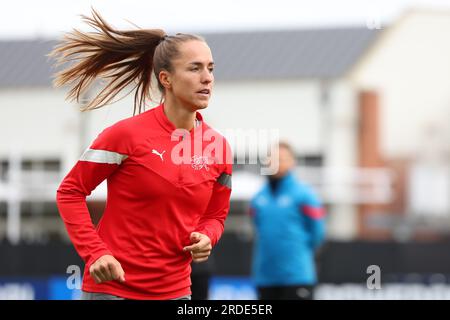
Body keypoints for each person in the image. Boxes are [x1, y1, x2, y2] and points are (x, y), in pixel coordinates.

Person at [51, 9, 232, 300]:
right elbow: (70, 191)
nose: (207, 78)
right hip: (112, 291)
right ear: (166, 79)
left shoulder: (219, 148)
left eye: (211, 68)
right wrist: (95, 253)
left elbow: (215, 215)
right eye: (195, 68)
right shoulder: (125, 135)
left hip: (176, 293)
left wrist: (207, 236)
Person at [249, 142, 325, 300]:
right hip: (265, 278)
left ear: (292, 162)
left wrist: (297, 253)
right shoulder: (258, 198)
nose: (276, 162)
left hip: (296, 277)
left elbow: (317, 233)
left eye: (282, 158)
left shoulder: (305, 195)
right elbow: (257, 227)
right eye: (273, 158)